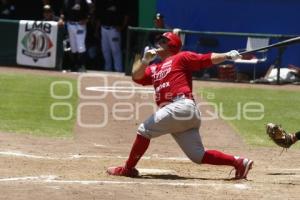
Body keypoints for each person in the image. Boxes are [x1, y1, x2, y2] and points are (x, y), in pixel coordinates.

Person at [107, 32, 254, 180]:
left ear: (171, 45)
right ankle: (239, 162)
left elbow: (205, 59)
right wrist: (145, 60)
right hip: (181, 113)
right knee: (198, 155)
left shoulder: (181, 57)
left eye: (162, 41)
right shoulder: (155, 68)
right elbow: (136, 76)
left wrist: (227, 55)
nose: (158, 44)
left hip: (181, 105)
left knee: (144, 130)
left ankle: (128, 168)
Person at [94, 0, 129, 72]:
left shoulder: (119, 2)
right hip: (103, 28)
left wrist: (122, 27)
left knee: (116, 50)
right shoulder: (102, 2)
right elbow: (98, 17)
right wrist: (97, 30)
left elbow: (126, 15)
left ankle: (118, 70)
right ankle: (107, 69)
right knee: (105, 50)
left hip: (114, 29)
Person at [62, 0, 89, 72]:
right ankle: (74, 65)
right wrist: (62, 19)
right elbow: (64, 13)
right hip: (70, 24)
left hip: (80, 25)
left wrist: (86, 19)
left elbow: (89, 12)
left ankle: (82, 65)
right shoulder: (67, 2)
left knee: (80, 46)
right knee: (73, 46)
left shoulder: (83, 2)